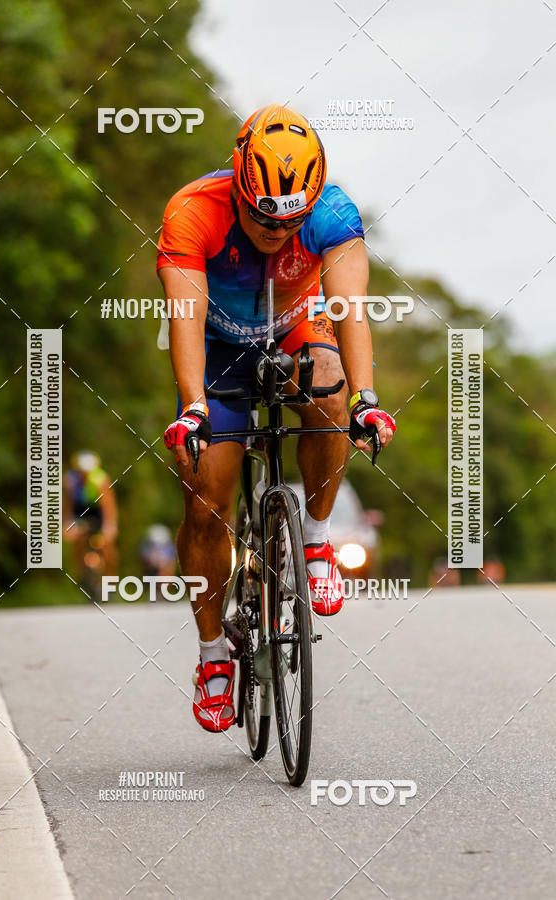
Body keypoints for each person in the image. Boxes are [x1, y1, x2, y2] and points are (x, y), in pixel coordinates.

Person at [158, 103, 396, 732]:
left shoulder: (334, 216)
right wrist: (192, 409)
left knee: (331, 394)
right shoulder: (193, 211)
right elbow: (183, 317)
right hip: (216, 346)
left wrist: (367, 399)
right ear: (238, 179)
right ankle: (213, 658)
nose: (273, 227)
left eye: (287, 220)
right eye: (261, 214)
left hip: (294, 332)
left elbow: (349, 312)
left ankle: (313, 540)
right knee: (206, 495)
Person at [63, 450, 118, 580]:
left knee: (106, 545)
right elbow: (68, 504)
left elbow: (108, 506)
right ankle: (82, 576)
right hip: (80, 511)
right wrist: (67, 523)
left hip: (98, 512)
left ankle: (110, 578)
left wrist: (109, 525)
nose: (84, 474)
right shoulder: (71, 480)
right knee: (78, 541)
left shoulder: (101, 479)